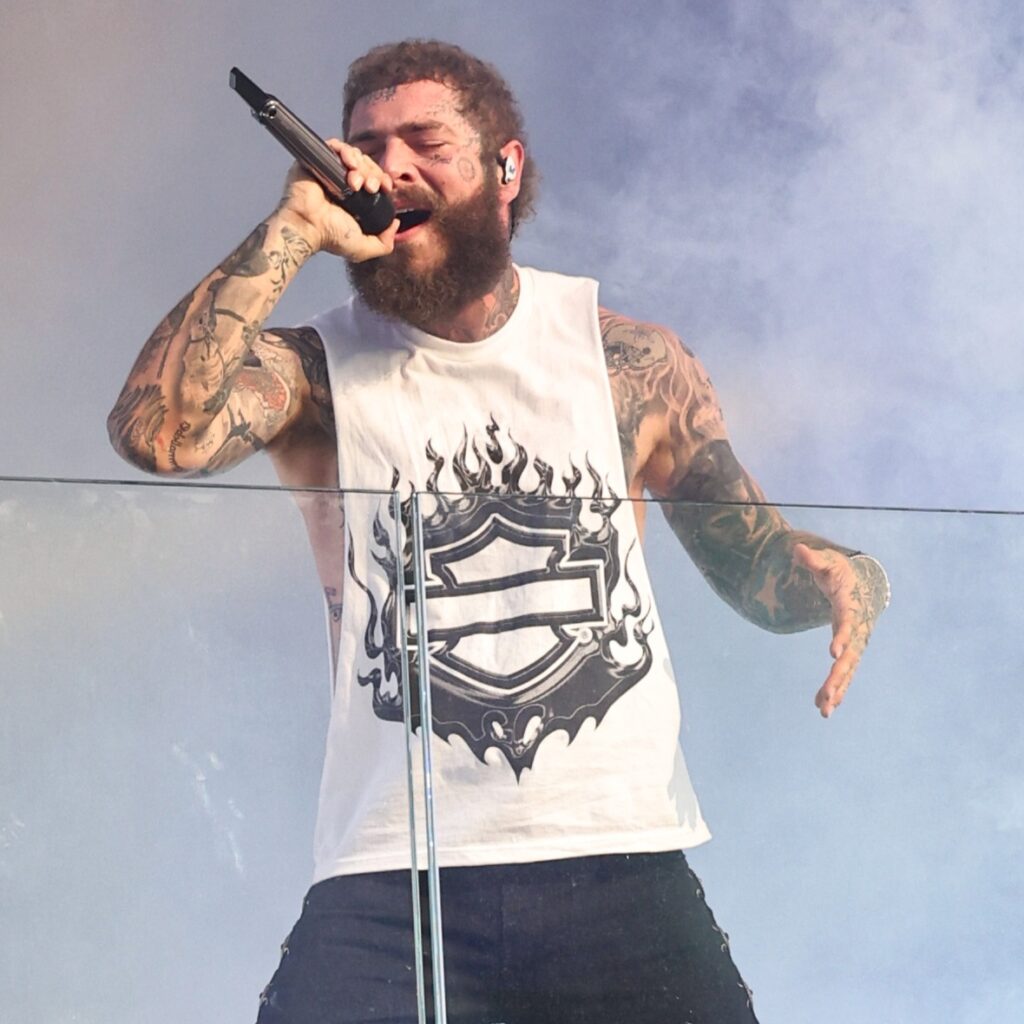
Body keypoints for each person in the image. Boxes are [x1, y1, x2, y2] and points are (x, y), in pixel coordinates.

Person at [108, 39, 889, 1024]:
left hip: (617, 861)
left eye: (425, 141)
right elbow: (161, 432)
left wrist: (843, 574)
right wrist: (294, 226)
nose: (389, 167)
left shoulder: (627, 362)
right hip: (392, 873)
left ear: (505, 169)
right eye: (364, 146)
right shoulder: (311, 372)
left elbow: (759, 571)